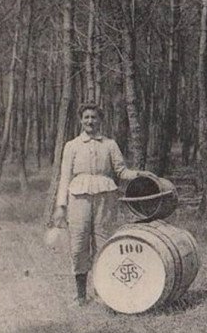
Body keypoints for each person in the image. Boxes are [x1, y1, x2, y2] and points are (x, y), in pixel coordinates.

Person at [52, 104, 151, 305]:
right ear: (81, 120)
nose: (90, 121)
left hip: (106, 199)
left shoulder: (110, 144)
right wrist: (61, 205)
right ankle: (80, 297)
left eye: (94, 117)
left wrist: (139, 174)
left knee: (104, 243)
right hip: (78, 199)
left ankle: (102, 293)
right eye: (86, 117)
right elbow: (64, 177)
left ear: (100, 120)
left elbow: (121, 171)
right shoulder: (72, 146)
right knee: (79, 245)